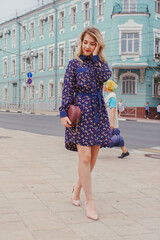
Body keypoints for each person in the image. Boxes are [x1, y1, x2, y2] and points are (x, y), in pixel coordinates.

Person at [59, 27, 112, 221]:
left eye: (92, 43)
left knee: (93, 156)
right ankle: (89, 201)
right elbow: (67, 90)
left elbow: (106, 77)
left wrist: (97, 58)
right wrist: (63, 112)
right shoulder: (74, 64)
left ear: (98, 45)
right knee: (85, 156)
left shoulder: (101, 64)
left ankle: (77, 187)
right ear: (80, 42)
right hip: (81, 113)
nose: (88, 46)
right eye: (85, 42)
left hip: (98, 112)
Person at [103, 80, 130, 158]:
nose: (103, 86)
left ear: (107, 86)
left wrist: (111, 122)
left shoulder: (112, 96)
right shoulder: (107, 95)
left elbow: (113, 109)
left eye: (104, 85)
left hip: (110, 119)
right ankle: (125, 151)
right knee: (117, 135)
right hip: (106, 119)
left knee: (110, 135)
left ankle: (93, 151)